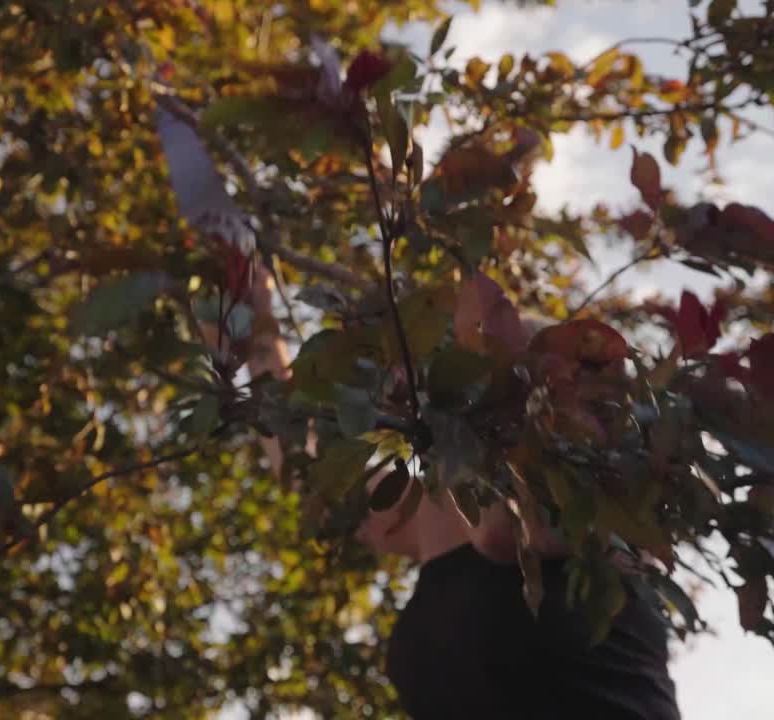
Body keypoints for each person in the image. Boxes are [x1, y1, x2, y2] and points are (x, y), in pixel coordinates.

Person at [227, 265, 681, 719]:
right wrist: (254, 324)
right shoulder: (435, 508)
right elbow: (309, 471)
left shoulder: (595, 507)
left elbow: (501, 535)